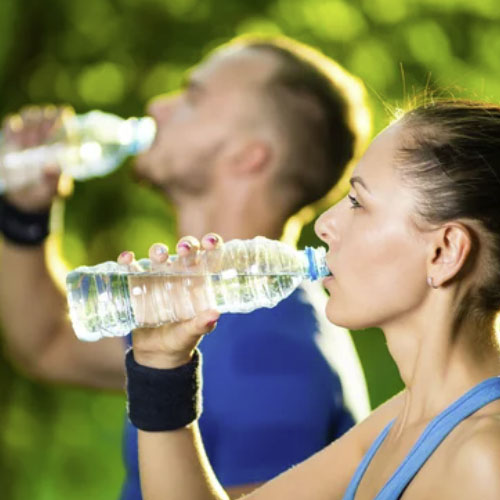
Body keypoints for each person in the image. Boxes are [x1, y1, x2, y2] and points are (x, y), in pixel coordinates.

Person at [0, 36, 371, 498]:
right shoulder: (214, 305)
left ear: (248, 155)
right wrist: (24, 214)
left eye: (192, 97)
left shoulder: (271, 350)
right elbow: (47, 344)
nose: (158, 106)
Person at [122, 99, 500, 500]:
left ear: (444, 253)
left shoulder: (485, 460)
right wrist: (162, 369)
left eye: (358, 203)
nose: (324, 224)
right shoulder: (403, 419)